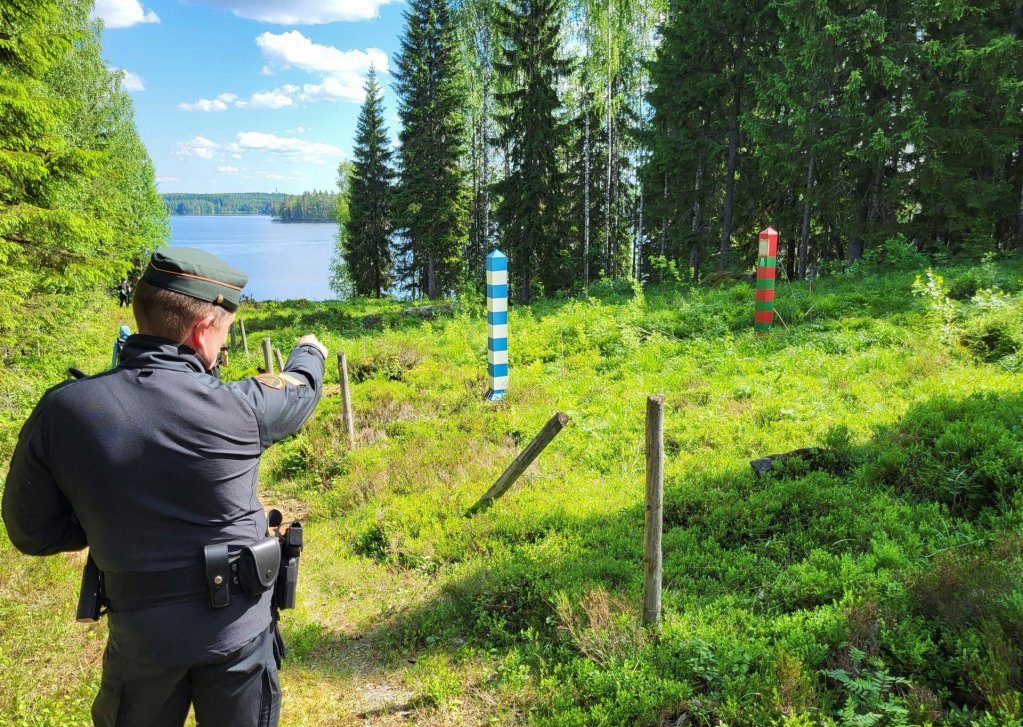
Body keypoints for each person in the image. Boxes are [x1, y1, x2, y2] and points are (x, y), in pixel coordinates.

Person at [3, 248, 328, 726]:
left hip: (141, 638)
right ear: (201, 333)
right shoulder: (241, 408)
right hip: (238, 635)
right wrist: (311, 350)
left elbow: (32, 532)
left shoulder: (64, 411)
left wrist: (108, 520)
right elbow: (300, 388)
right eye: (221, 336)